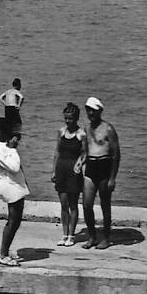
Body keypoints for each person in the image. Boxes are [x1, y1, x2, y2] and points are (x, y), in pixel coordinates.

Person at [0, 116, 29, 266]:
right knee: (13, 221)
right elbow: (14, 167)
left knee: (15, 221)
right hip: (9, 188)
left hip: (13, 185)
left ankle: (5, 250)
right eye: (6, 133)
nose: (8, 137)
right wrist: (12, 149)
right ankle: (3, 254)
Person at [81, 97, 119, 250]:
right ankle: (92, 236)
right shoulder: (86, 129)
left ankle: (107, 238)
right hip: (91, 167)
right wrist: (79, 163)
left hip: (105, 167)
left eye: (93, 110)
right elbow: (84, 151)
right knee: (87, 205)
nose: (90, 113)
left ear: (100, 111)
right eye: (88, 110)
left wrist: (112, 178)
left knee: (105, 205)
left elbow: (116, 155)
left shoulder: (108, 129)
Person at [51, 102, 87, 246]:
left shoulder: (81, 134)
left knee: (73, 204)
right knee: (63, 204)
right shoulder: (61, 131)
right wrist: (53, 170)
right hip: (61, 169)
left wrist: (80, 163)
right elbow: (57, 152)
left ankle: (72, 235)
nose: (68, 121)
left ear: (76, 118)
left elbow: (85, 153)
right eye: (66, 118)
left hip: (74, 171)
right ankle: (64, 234)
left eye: (70, 119)